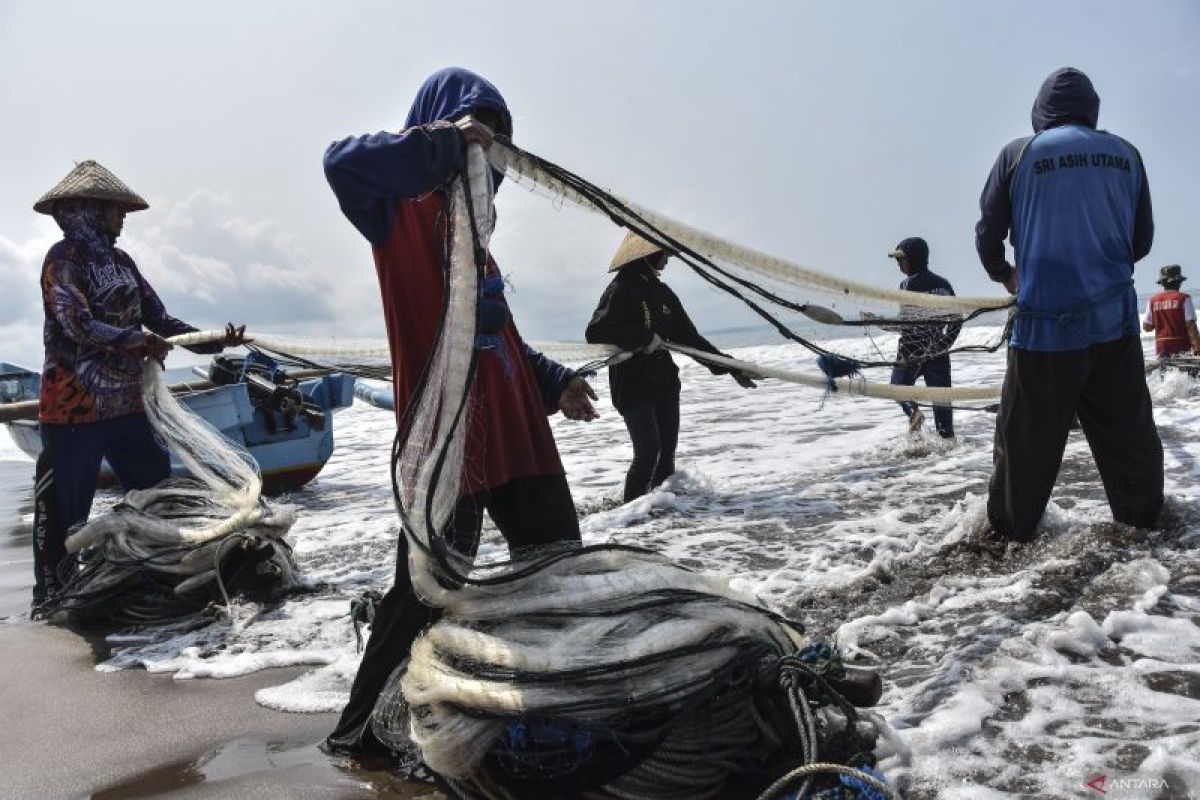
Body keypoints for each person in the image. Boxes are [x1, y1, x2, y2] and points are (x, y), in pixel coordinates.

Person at [321, 67, 599, 757]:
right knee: (423, 591)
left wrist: (554, 380)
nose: (489, 152)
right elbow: (339, 162)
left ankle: (563, 703)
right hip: (450, 443)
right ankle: (357, 735)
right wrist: (448, 140)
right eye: (482, 131)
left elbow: (498, 338)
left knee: (556, 570)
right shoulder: (395, 213)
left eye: (498, 139)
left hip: (518, 437)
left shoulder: (477, 239)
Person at [30, 160, 244, 613]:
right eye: (115, 209)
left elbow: (160, 320)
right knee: (68, 516)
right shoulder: (62, 261)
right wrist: (136, 341)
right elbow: (75, 324)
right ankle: (51, 599)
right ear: (89, 208)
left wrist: (214, 341)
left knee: (157, 497)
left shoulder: (122, 262)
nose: (122, 218)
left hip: (128, 407)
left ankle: (154, 576)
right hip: (75, 412)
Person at [975, 67, 1162, 544]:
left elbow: (987, 235)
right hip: (1114, 329)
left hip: (1043, 334)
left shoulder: (1018, 154)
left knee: (1025, 451)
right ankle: (1147, 534)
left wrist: (1006, 275)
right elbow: (1140, 242)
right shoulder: (1126, 154)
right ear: (1092, 109)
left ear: (1040, 111)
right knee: (1129, 442)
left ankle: (1010, 542)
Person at [585, 232, 756, 502]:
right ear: (647, 254)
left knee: (666, 455)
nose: (668, 258)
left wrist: (731, 367)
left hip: (663, 382)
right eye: (664, 252)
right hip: (632, 385)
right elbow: (596, 332)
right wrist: (643, 337)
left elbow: (690, 339)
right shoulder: (621, 288)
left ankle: (663, 517)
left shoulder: (662, 293)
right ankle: (629, 518)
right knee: (647, 453)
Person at [884, 237, 960, 438]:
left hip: (911, 351)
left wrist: (879, 323)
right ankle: (950, 459)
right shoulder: (944, 284)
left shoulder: (907, 285)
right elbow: (956, 320)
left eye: (902, 259)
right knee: (943, 409)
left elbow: (905, 323)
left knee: (897, 388)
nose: (898, 263)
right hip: (938, 351)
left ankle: (914, 413)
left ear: (915, 259)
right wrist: (944, 344)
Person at [1142, 264, 1200, 358]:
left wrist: (1161, 319)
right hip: (1181, 345)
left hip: (1161, 346)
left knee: (1165, 371)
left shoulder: (1152, 300)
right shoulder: (1184, 298)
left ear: (1162, 283)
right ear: (1179, 282)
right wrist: (1198, 347)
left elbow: (1146, 327)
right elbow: (1190, 325)